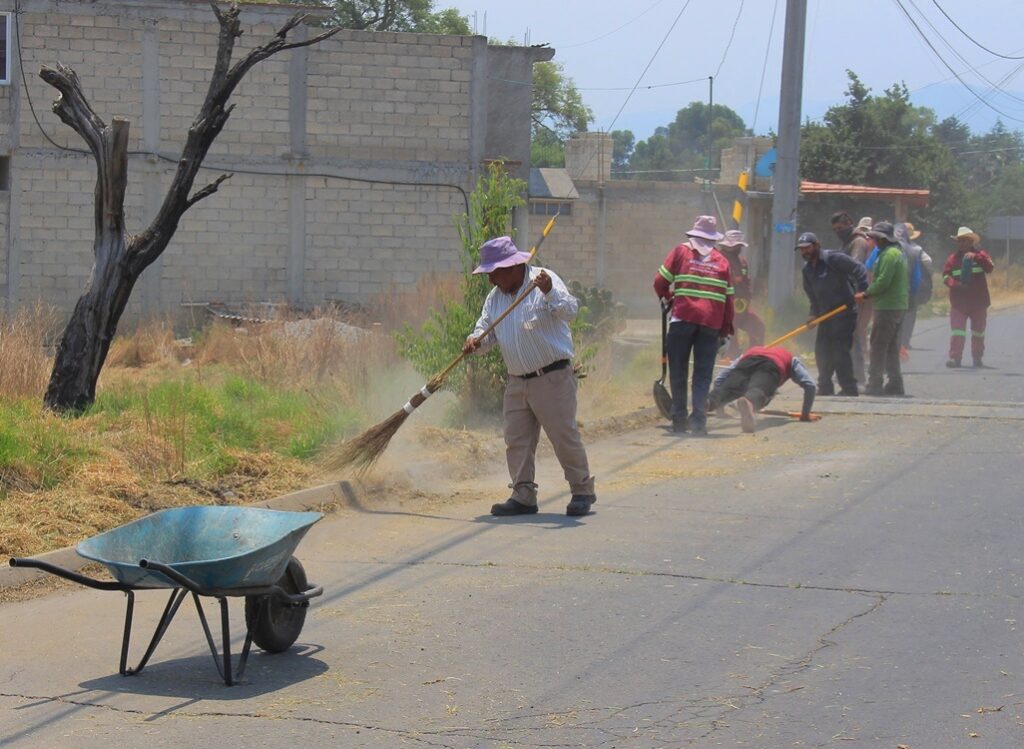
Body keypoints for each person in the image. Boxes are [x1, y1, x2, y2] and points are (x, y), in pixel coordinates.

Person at [462, 236, 596, 517]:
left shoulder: (543, 280)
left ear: (512, 267)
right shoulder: (495, 298)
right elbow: (486, 331)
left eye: (494, 273)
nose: (490, 281)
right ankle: (523, 494)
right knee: (517, 439)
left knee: (563, 436)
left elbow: (570, 311)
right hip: (517, 381)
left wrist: (549, 292)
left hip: (552, 378)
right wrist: (475, 341)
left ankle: (582, 490)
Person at [653, 215, 735, 435]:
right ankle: (698, 421)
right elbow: (729, 302)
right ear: (714, 239)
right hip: (711, 325)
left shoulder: (681, 251)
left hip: (682, 320)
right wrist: (726, 332)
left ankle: (679, 420)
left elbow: (659, 282)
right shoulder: (723, 261)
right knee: (702, 374)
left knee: (678, 371)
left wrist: (667, 297)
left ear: (694, 235)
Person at [797, 231, 868, 397]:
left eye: (807, 247)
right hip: (825, 315)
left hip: (844, 311)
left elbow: (859, 269)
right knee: (821, 350)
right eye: (801, 249)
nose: (805, 252)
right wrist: (812, 314)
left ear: (816, 245)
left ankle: (849, 388)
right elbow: (813, 297)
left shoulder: (833, 259)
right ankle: (825, 386)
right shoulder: (807, 270)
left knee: (839, 350)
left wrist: (862, 290)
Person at [707, 345, 818, 433]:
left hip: (747, 362)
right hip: (771, 366)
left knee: (728, 390)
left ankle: (706, 404)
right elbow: (810, 385)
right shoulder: (791, 358)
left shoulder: (750, 351)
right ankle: (749, 401)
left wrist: (719, 409)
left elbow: (720, 378)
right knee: (759, 390)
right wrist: (805, 415)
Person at [854, 221, 909, 396]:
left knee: (877, 345)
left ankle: (874, 383)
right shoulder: (897, 253)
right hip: (898, 305)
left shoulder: (888, 255)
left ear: (883, 238)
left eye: (875, 237)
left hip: (887, 306)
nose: (873, 240)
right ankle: (895, 383)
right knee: (891, 346)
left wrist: (866, 294)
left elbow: (883, 281)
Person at [942, 226, 995, 368]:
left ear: (971, 242)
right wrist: (957, 285)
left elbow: (990, 267)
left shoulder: (981, 255)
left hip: (978, 302)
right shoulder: (952, 259)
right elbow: (945, 277)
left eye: (965, 241)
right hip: (959, 302)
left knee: (978, 332)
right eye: (960, 241)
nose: (962, 243)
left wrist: (976, 257)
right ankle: (955, 358)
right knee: (958, 331)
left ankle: (977, 357)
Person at [717, 229, 765, 359]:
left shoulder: (742, 261)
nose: (738, 248)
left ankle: (753, 357)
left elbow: (746, 281)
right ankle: (729, 359)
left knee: (758, 327)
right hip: (724, 310)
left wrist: (747, 294)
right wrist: (732, 280)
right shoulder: (717, 259)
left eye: (739, 246)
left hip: (741, 308)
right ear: (726, 245)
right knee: (731, 334)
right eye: (735, 246)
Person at [895, 222, 933, 359]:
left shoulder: (888, 248)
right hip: (910, 287)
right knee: (910, 315)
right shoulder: (916, 249)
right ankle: (905, 341)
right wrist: (928, 275)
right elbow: (928, 262)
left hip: (892, 290)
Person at [850, 216, 874, 384]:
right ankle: (863, 359)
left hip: (860, 292)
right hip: (869, 292)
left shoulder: (858, 242)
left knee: (857, 329)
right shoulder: (874, 245)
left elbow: (855, 265)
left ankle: (857, 365)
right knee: (862, 328)